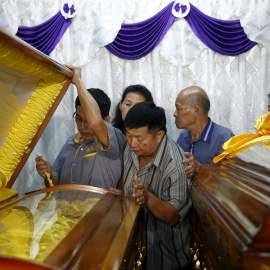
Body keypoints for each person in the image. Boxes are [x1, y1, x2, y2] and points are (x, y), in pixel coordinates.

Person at [121, 102, 192, 270]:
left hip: (167, 258)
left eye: (139, 138)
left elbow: (173, 217)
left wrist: (148, 198)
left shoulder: (176, 164)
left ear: (159, 136)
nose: (132, 143)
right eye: (128, 135)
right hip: (134, 251)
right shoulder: (132, 148)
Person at [36, 66, 126, 189]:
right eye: (78, 118)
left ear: (107, 121)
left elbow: (96, 123)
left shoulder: (114, 140)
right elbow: (55, 185)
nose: (82, 126)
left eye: (88, 120)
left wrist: (78, 81)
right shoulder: (70, 143)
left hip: (100, 208)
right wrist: (49, 176)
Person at [174, 86, 234, 177]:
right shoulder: (183, 137)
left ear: (195, 111)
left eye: (178, 108)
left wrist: (199, 167)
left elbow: (231, 181)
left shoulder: (224, 138)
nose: (174, 114)